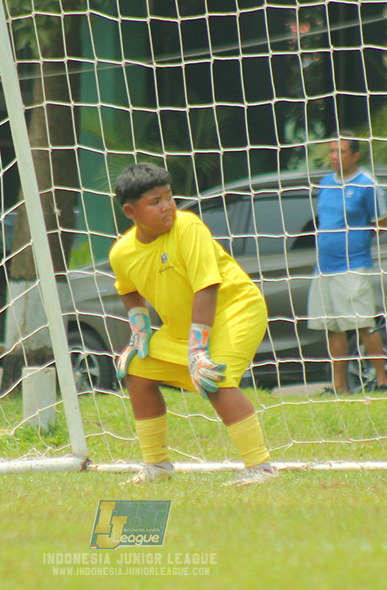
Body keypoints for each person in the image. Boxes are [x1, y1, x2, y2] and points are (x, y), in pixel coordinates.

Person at [110, 162, 275, 486]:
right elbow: (127, 290)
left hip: (235, 310)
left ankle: (260, 468)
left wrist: (197, 351)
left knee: (214, 377)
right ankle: (157, 465)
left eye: (169, 197)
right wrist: (139, 327)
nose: (167, 207)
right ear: (131, 211)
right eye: (155, 202)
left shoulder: (188, 227)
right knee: (137, 372)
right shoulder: (121, 253)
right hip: (184, 328)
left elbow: (206, 286)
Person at [308, 131, 387, 394]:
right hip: (324, 267)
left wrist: (353, 240)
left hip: (353, 265)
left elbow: (381, 225)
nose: (334, 156)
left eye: (341, 151)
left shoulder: (368, 184)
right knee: (332, 327)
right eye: (332, 151)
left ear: (355, 155)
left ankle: (382, 381)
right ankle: (339, 387)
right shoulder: (324, 184)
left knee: (363, 323)